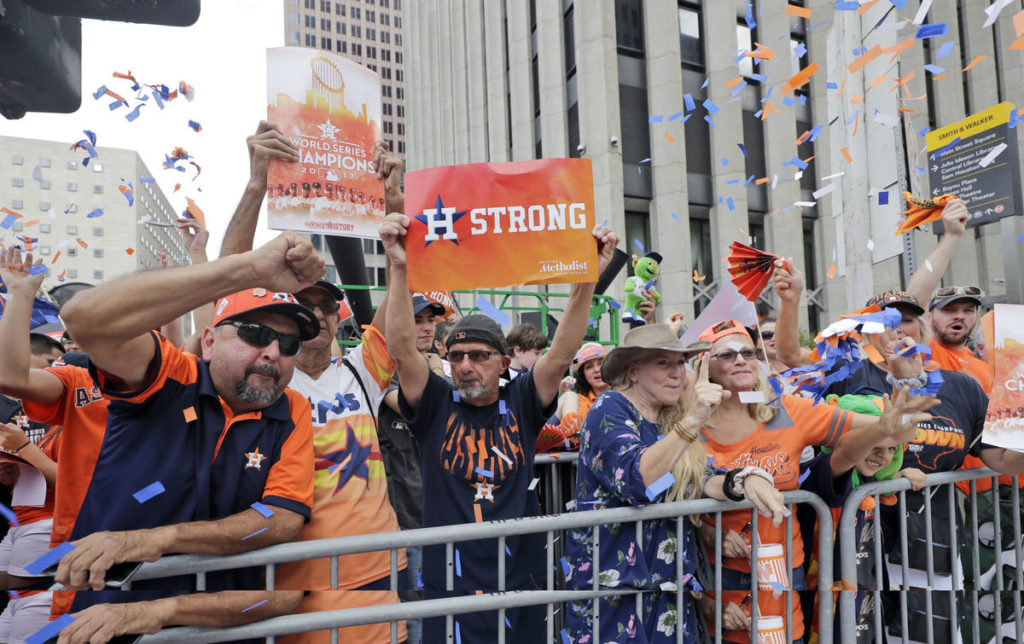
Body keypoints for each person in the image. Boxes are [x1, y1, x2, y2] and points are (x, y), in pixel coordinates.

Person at [22, 233, 323, 638]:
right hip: (99, 619)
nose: (272, 352)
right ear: (211, 342)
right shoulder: (169, 374)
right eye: (254, 333)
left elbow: (280, 520)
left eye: (289, 343)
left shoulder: (292, 408)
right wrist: (247, 270)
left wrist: (156, 543)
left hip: (215, 623)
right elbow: (85, 320)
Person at [381, 211, 619, 643]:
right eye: (455, 357)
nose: (465, 366)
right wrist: (399, 267)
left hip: (517, 572)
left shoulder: (522, 400)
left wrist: (588, 277)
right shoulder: (435, 402)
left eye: (478, 356)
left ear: (504, 363)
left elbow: (562, 352)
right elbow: (399, 348)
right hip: (448, 575)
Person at [218, 120, 411, 644]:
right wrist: (257, 185)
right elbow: (224, 291)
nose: (318, 315)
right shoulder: (262, 377)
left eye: (327, 306)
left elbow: (401, 294)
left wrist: (393, 200)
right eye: (304, 305)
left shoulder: (361, 369)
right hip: (295, 581)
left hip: (379, 575)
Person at [693, 319, 935, 644]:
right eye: (726, 354)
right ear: (705, 366)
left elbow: (894, 430)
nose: (740, 359)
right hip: (716, 573)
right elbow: (664, 493)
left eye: (748, 352)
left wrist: (905, 392)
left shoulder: (786, 409)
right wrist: (709, 535)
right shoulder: (689, 420)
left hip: (782, 568)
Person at [562, 324, 786, 643]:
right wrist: (692, 420)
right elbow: (638, 480)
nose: (676, 373)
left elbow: (698, 479)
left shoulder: (666, 417)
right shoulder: (609, 408)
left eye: (680, 363)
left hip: (667, 590)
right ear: (633, 371)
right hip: (614, 591)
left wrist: (745, 481)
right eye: (663, 363)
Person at [537, 342, 611, 452]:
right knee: (570, 396)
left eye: (600, 363)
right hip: (579, 451)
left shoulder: (624, 395)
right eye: (589, 367)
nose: (596, 370)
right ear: (583, 374)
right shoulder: (579, 400)